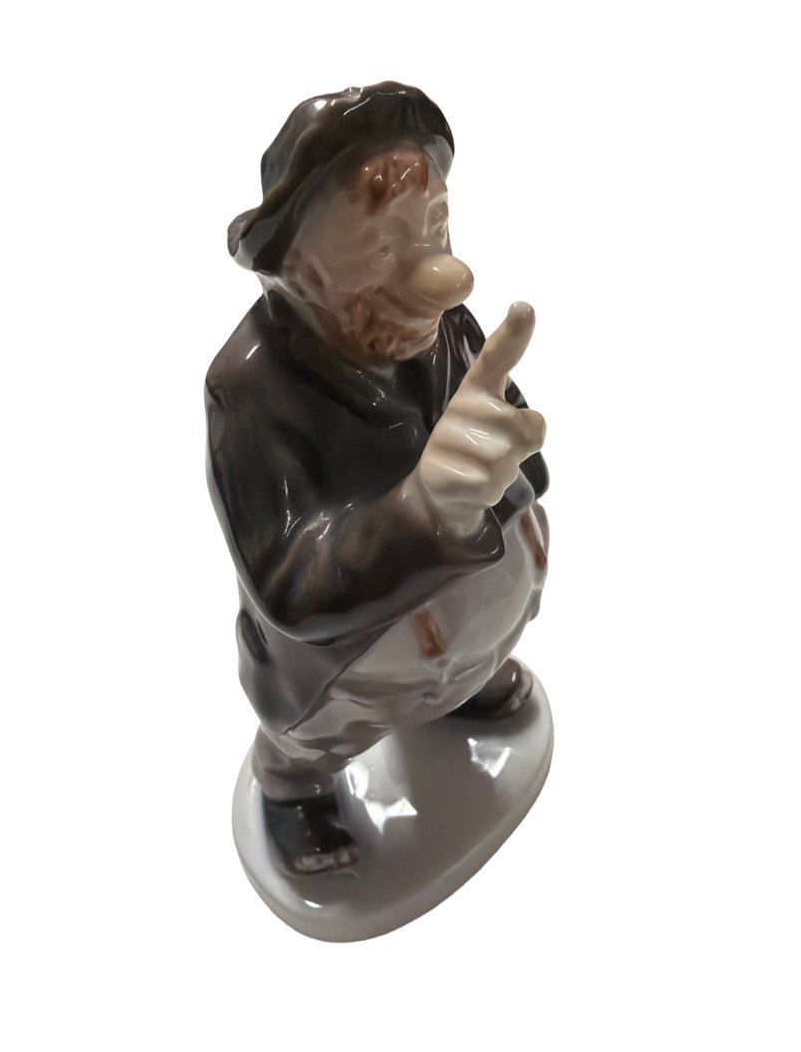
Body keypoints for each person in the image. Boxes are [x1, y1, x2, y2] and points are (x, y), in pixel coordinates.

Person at [207, 82, 549, 873]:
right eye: (384, 249)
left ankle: (466, 685)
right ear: (297, 266)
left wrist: (516, 465)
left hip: (470, 630)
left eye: (436, 228)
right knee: (316, 740)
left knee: (478, 656)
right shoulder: (249, 390)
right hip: (354, 672)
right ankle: (293, 793)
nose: (447, 277)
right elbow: (289, 583)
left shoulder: (443, 325)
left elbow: (502, 417)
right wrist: (423, 510)